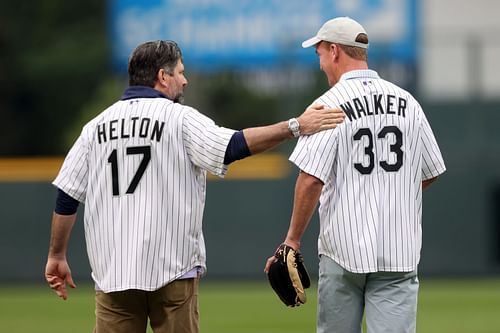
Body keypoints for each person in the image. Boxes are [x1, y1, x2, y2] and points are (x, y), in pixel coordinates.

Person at [44, 40, 344, 333]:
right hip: (172, 270)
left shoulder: (95, 127)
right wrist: (296, 126)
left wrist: (57, 255)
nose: (185, 81)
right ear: (163, 76)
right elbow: (233, 145)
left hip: (113, 274)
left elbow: (67, 195)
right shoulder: (180, 119)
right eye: (180, 72)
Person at [265, 17, 446, 333]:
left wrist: (291, 240)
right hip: (398, 251)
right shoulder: (408, 103)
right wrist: (396, 191)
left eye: (320, 53)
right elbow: (430, 172)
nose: (320, 63)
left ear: (335, 51)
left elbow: (311, 179)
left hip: (343, 250)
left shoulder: (328, 105)